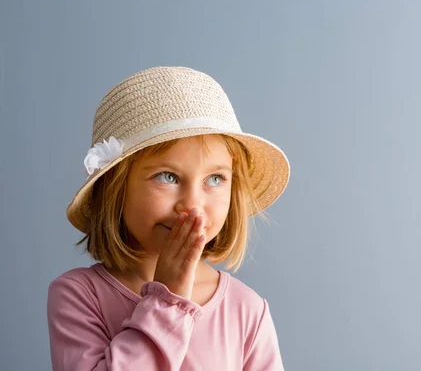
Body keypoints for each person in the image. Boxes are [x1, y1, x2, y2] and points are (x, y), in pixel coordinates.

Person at [47, 66, 290, 370]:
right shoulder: (79, 296)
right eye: (168, 176)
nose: (192, 203)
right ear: (116, 190)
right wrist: (167, 301)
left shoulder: (247, 310)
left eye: (215, 179)